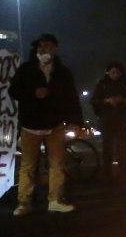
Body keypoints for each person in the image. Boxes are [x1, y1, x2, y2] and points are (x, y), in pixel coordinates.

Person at [8, 34, 83, 215]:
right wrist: (33, 93)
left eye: (47, 46)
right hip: (30, 125)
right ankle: (24, 203)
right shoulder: (26, 69)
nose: (43, 49)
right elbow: (13, 90)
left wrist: (75, 121)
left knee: (57, 165)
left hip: (55, 124)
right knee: (28, 166)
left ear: (55, 48)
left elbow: (71, 98)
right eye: (40, 46)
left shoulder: (62, 72)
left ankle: (55, 200)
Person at [91, 62, 126, 181]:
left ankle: (123, 170)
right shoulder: (102, 84)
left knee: (122, 146)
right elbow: (94, 100)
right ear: (108, 72)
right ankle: (107, 172)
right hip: (107, 119)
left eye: (117, 72)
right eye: (113, 72)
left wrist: (123, 100)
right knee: (107, 146)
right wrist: (106, 101)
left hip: (122, 119)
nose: (115, 75)